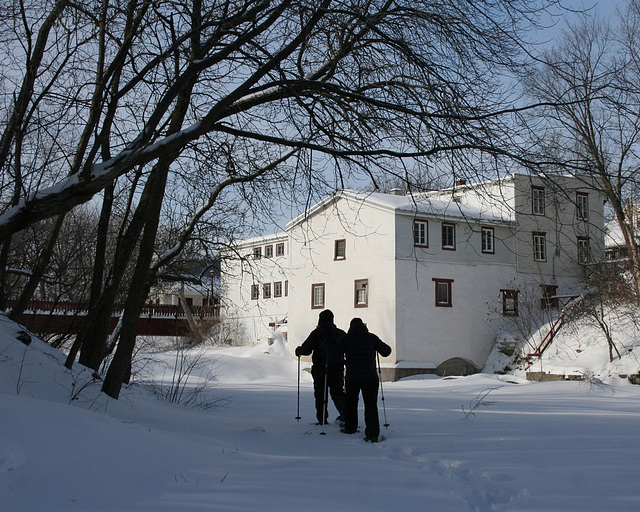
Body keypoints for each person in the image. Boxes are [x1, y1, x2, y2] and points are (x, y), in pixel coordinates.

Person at [339, 317, 391, 442]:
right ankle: (372, 433)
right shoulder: (371, 338)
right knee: (371, 406)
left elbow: (335, 353)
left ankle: (350, 428)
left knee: (351, 404)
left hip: (352, 378)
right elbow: (386, 351)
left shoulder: (346, 339)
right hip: (370, 378)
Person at [295, 309, 346, 425]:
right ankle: (346, 414)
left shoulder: (316, 333)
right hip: (337, 369)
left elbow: (306, 349)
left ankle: (322, 419)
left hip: (320, 369)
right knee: (337, 392)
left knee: (320, 394)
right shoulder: (339, 333)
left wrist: (298, 351)